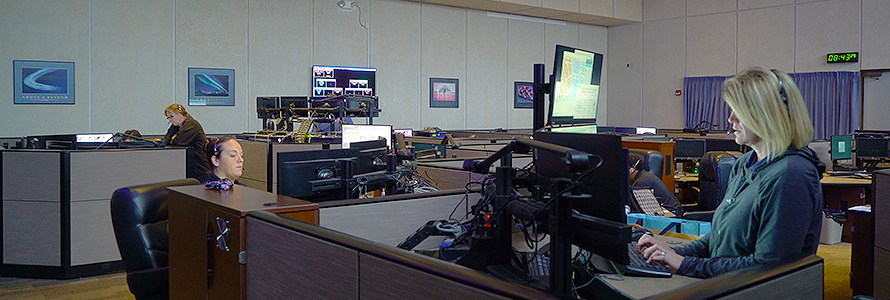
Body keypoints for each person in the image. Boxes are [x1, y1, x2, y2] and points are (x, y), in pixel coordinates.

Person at [636, 67, 824, 278]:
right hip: (723, 283)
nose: (730, 118)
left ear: (766, 114)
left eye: (738, 111)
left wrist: (684, 265)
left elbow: (768, 268)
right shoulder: (744, 164)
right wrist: (671, 253)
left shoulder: (791, 176)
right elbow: (718, 239)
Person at [163, 104, 210, 178]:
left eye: (172, 116)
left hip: (200, 169)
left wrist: (173, 138)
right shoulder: (180, 126)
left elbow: (178, 142)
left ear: (180, 114)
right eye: (168, 118)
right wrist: (173, 127)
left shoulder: (190, 125)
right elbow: (166, 141)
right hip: (192, 168)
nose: (170, 120)